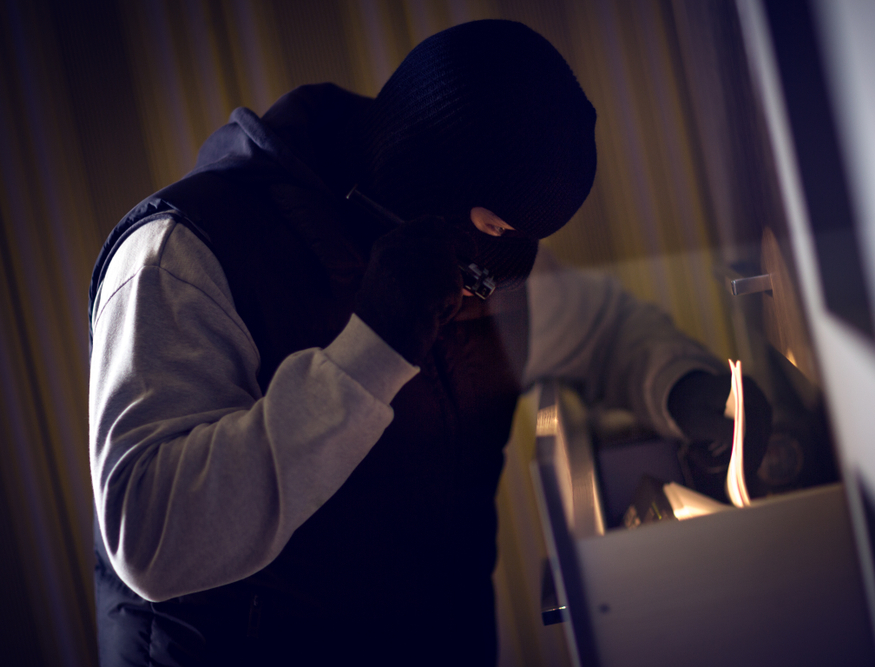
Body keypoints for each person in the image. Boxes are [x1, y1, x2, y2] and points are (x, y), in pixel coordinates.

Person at [88, 20, 768, 666]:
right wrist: (374, 350)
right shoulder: (180, 257)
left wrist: (689, 387)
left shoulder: (484, 250)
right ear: (445, 194)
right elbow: (151, 540)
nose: (507, 254)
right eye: (500, 227)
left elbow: (605, 331)